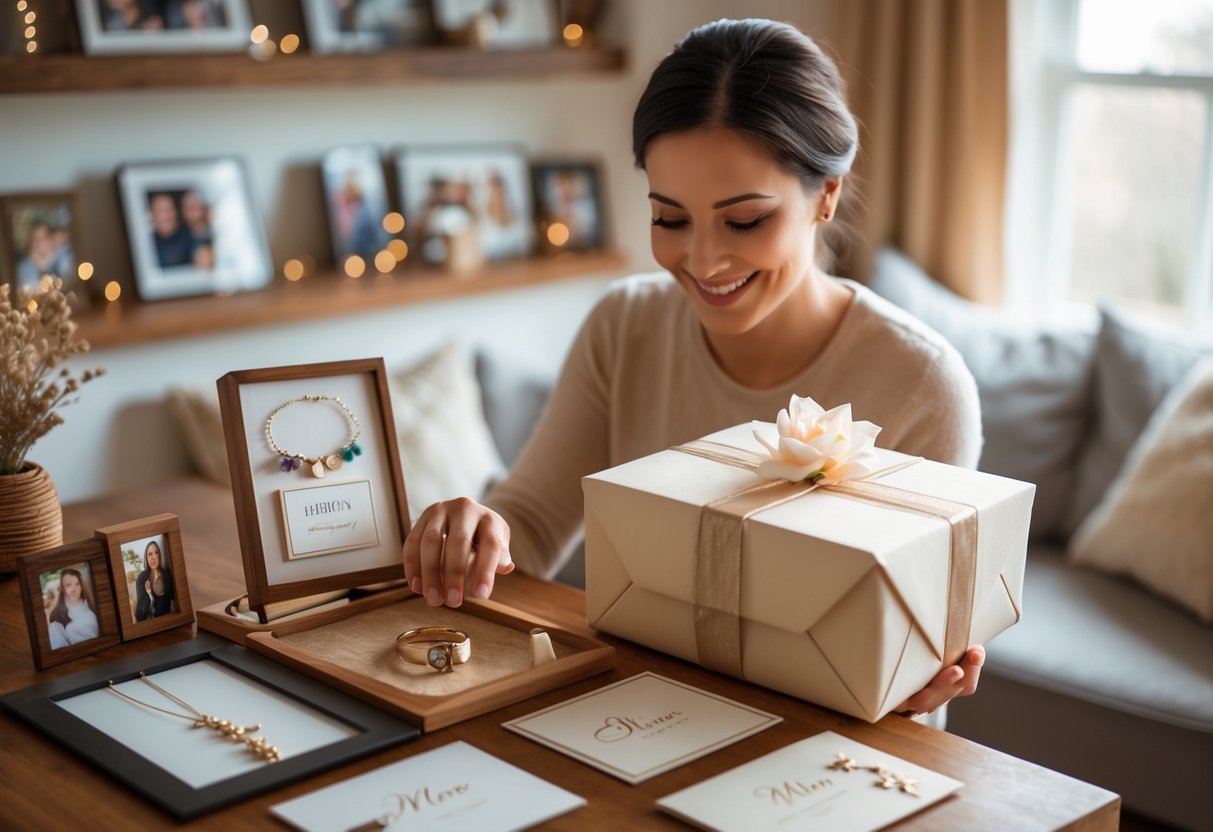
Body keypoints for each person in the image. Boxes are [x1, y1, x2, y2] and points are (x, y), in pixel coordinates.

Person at [401, 18, 986, 720]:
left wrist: (914, 681)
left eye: (743, 222)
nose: (703, 262)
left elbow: (914, 662)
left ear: (825, 194)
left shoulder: (922, 384)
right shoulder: (624, 327)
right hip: (633, 712)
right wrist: (477, 532)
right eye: (669, 219)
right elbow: (529, 524)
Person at [46, 568, 100, 649]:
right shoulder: (58, 617)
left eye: (77, 584)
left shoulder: (91, 606)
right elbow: (59, 648)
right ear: (62, 589)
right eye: (68, 585)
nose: (73, 589)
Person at [148, 192, 194, 269]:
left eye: (168, 210)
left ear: (176, 212)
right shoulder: (146, 244)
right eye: (160, 211)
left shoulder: (190, 237)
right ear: (152, 215)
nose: (165, 216)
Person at [134, 539, 175, 621]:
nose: (154, 557)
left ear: (160, 555)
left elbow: (168, 603)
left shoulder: (166, 575)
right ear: (146, 558)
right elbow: (140, 612)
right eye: (150, 554)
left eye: (156, 553)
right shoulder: (141, 578)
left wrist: (150, 594)